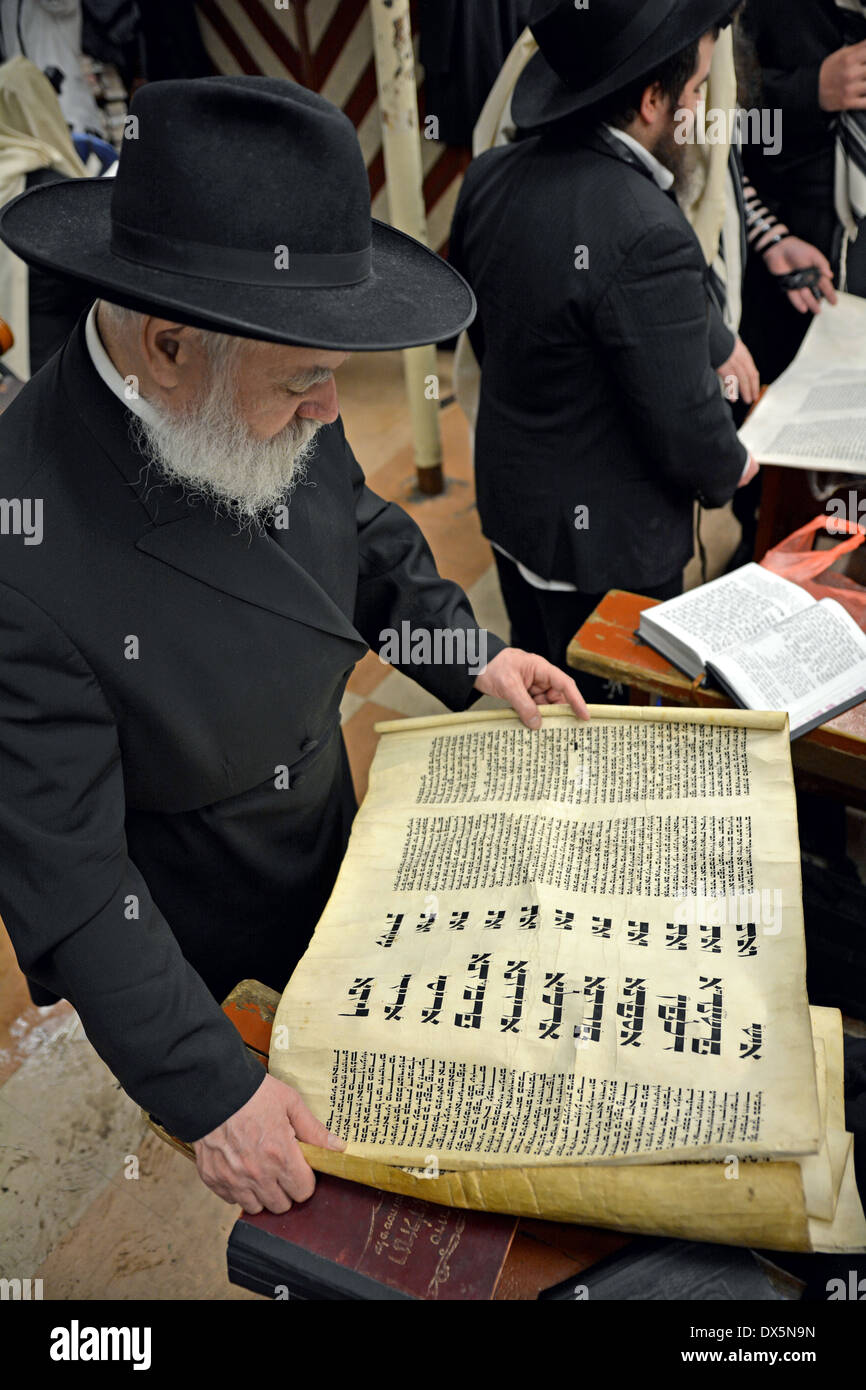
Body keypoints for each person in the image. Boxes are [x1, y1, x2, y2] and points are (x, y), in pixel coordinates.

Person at [0, 75, 589, 1216]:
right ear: (168, 347)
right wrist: (210, 1093)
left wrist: (465, 653)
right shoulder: (24, 553)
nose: (332, 412)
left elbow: (359, 536)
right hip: (192, 915)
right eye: (307, 383)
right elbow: (70, 883)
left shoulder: (265, 370)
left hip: (322, 815)